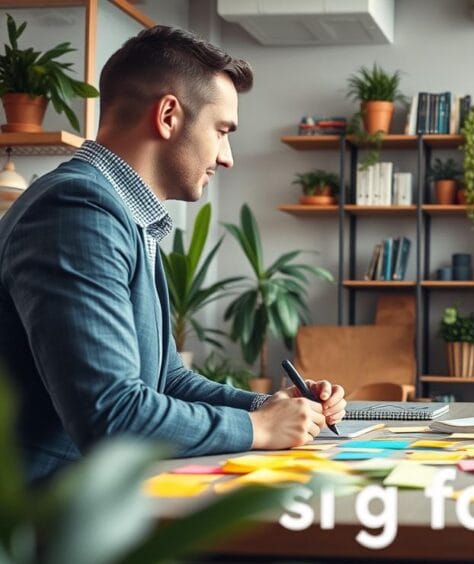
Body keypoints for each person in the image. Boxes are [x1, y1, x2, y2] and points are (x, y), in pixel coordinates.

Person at [0, 26, 345, 484]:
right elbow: (111, 415)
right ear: (167, 116)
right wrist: (257, 428)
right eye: (222, 131)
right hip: (49, 527)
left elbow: (166, 381)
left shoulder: (123, 213)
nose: (227, 157)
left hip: (102, 502)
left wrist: (271, 406)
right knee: (311, 532)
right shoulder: (78, 210)